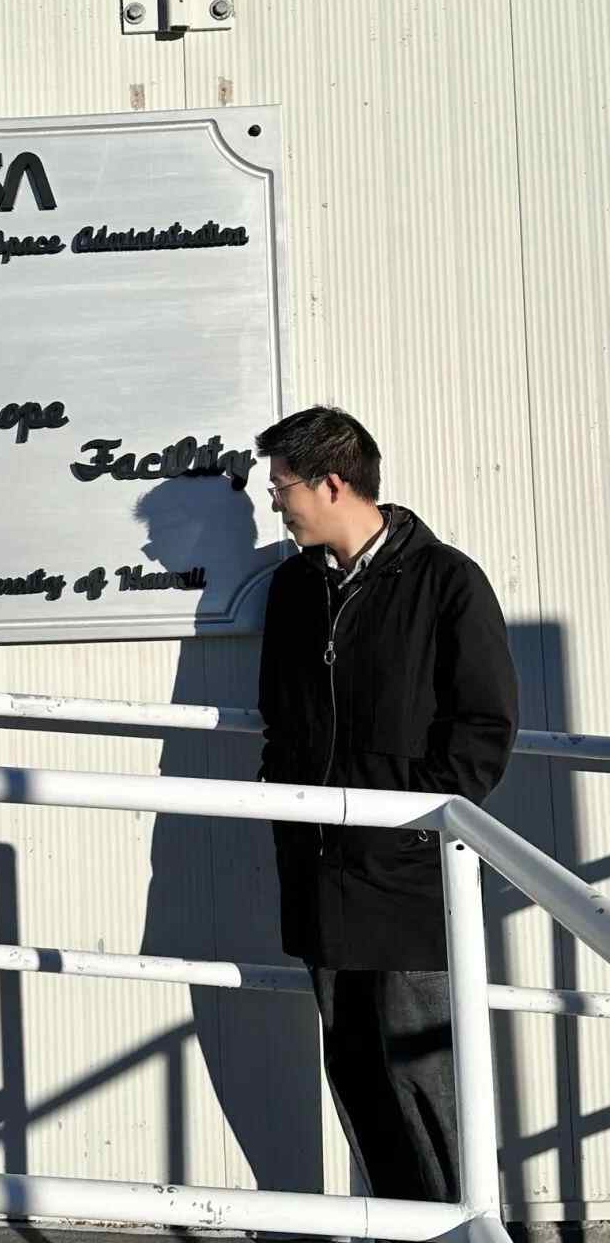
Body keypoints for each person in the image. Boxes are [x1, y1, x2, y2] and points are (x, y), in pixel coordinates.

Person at [253, 405, 518, 1205]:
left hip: (408, 878)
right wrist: (288, 811)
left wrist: (409, 827)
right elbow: (281, 723)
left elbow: (483, 730)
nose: (275, 501)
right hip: (320, 871)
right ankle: (401, 1225)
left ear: (332, 483)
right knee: (357, 1075)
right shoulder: (293, 589)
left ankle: (467, 1227)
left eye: (282, 485)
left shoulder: (445, 581)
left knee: (427, 1080)